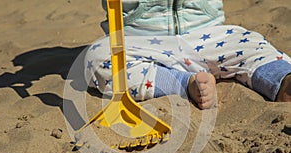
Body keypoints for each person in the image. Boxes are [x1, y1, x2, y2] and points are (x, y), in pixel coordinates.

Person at [84, 0, 291, 109]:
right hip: (141, 43)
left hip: (209, 37)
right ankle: (184, 84)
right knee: (97, 57)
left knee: (251, 43)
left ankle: (282, 80)